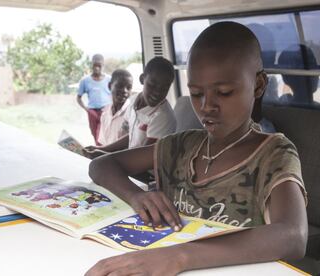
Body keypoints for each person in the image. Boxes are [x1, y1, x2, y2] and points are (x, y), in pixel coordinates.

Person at [85, 22, 307, 276]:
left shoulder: (274, 154)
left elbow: (293, 235)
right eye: (196, 93)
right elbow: (101, 165)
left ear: (257, 85)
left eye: (224, 93)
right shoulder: (180, 146)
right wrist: (137, 196)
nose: (206, 106)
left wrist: (179, 257)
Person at [85, 57, 176, 158]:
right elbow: (132, 136)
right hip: (132, 163)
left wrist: (106, 156)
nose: (157, 93)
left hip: (147, 170)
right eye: (152, 85)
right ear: (142, 79)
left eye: (164, 88)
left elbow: (146, 158)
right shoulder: (133, 101)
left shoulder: (163, 116)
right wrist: (103, 149)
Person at [77, 54, 111, 146]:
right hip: (92, 111)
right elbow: (78, 97)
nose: (96, 68)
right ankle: (99, 153)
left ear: (103, 65)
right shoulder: (85, 80)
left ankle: (100, 153)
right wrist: (86, 109)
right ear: (92, 65)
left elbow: (114, 95)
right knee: (94, 134)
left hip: (105, 111)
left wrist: (110, 108)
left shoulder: (109, 79)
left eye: (99, 65)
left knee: (101, 135)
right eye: (94, 65)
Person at [96, 69, 133, 146]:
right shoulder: (105, 113)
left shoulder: (132, 112)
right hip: (107, 156)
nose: (125, 91)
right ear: (110, 86)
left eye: (128, 87)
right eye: (120, 86)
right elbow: (103, 143)